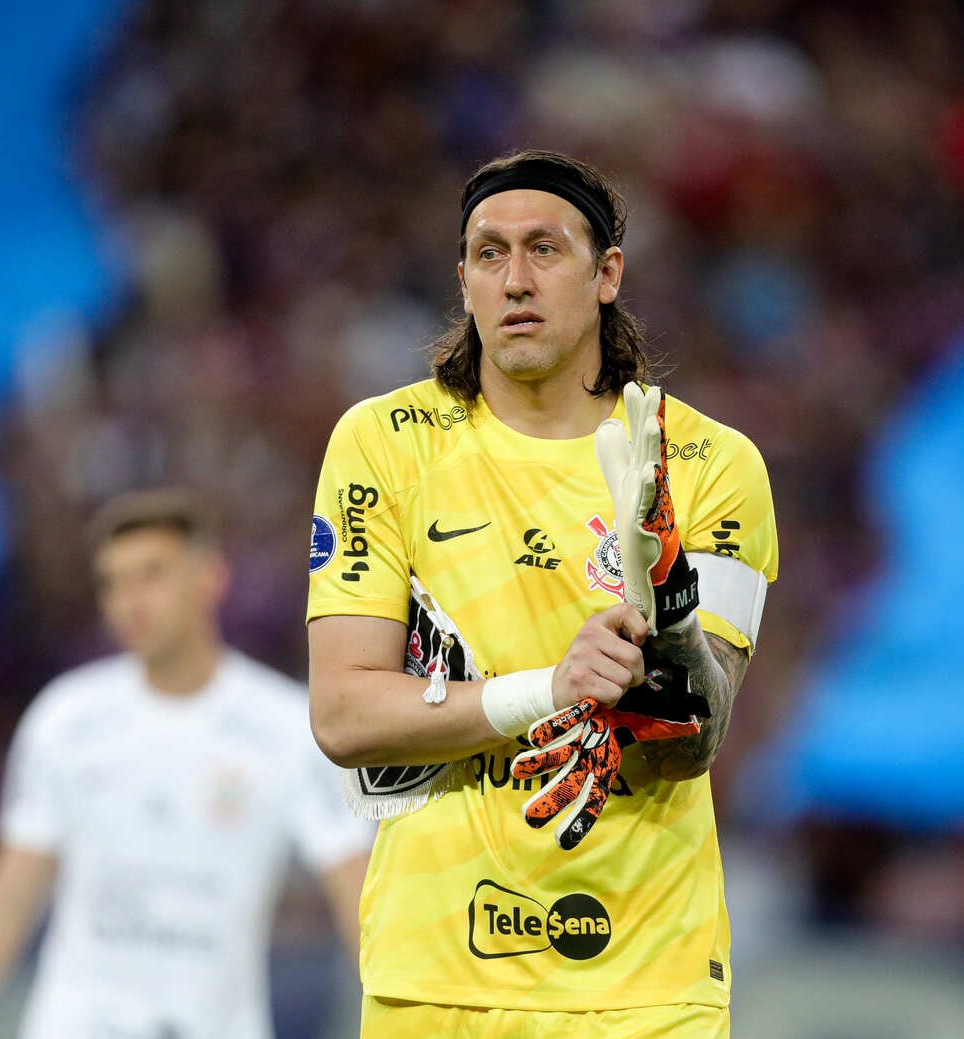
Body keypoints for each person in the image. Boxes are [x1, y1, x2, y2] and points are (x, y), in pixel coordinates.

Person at [307, 149, 778, 1036]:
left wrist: (670, 610)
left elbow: (694, 742)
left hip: (643, 980)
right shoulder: (385, 443)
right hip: (438, 974)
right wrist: (546, 691)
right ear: (463, 279)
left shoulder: (710, 464)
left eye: (545, 250)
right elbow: (343, 715)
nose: (515, 279)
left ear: (606, 275)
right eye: (489, 254)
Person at [0, 488, 372, 1039]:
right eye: (113, 582)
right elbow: (8, 894)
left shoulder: (288, 729)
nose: (130, 601)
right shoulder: (67, 718)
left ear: (210, 578)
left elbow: (360, 898)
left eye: (151, 575)